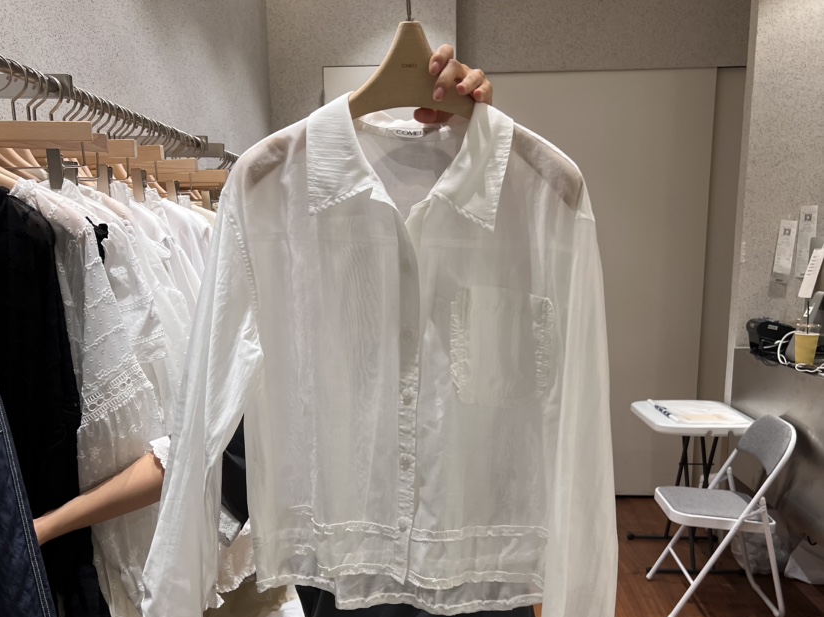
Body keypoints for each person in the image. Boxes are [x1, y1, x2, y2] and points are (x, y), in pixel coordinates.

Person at [33, 44, 493, 546]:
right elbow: (198, 450)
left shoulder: (466, 308)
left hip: (473, 558)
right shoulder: (298, 351)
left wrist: (484, 149)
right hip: (342, 574)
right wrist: (45, 527)